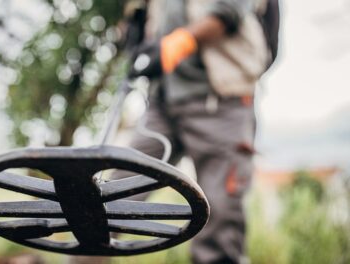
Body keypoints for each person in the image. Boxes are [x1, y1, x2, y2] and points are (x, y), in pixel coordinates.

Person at [70, 0, 279, 263]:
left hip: (221, 100)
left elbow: (231, 9)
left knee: (221, 218)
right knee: (111, 200)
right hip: (161, 104)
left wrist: (179, 43)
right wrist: (133, 26)